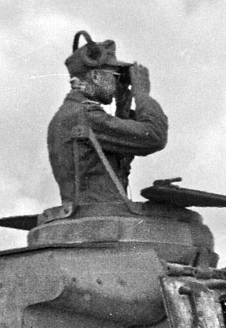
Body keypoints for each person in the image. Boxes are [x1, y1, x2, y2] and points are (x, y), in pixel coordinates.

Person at [47, 32, 168, 207]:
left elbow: (116, 158)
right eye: (114, 76)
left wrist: (123, 105)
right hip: (100, 214)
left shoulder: (71, 113)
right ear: (96, 76)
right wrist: (142, 95)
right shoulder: (85, 115)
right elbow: (154, 137)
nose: (115, 83)